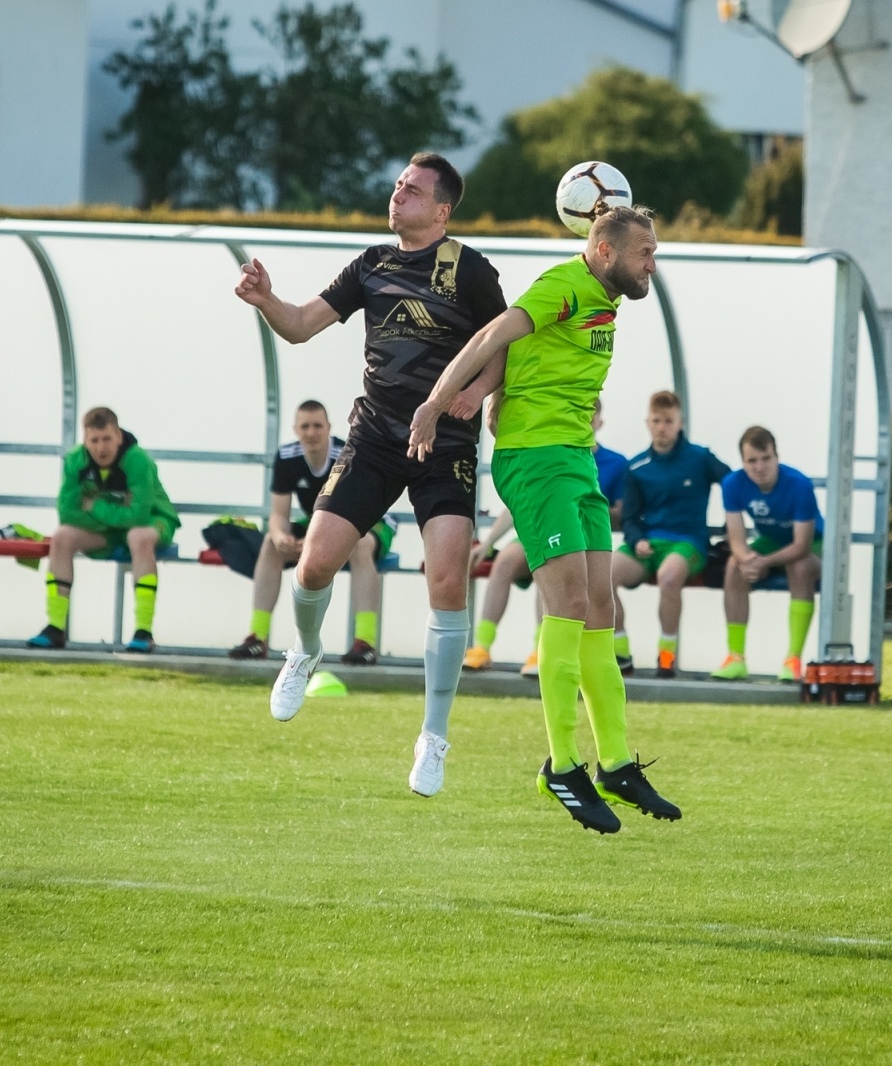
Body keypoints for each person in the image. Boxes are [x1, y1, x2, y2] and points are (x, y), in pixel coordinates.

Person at [233, 152, 507, 798]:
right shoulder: (373, 264)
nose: (398, 195)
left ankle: (432, 738)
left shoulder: (469, 270)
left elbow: (507, 343)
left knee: (446, 578)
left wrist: (479, 391)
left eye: (412, 190)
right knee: (313, 565)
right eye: (397, 186)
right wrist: (265, 298)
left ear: (442, 210)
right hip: (377, 436)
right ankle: (303, 651)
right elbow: (301, 327)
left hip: (445, 444)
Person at [409, 203, 680, 834]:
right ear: (607, 251)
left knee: (600, 609)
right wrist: (438, 402)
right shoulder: (564, 284)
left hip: (575, 459)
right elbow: (490, 336)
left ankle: (613, 762)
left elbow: (527, 349)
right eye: (646, 252)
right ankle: (562, 766)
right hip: (536, 460)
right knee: (565, 608)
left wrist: (493, 390)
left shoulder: (600, 294)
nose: (653, 264)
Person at [463, 400, 628, 677]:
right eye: (578, 416)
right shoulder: (551, 452)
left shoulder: (615, 463)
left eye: (590, 417)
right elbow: (520, 501)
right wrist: (488, 544)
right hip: (540, 530)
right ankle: (482, 646)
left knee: (555, 569)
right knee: (504, 561)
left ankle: (541, 650)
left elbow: (621, 514)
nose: (584, 422)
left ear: (599, 422)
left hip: (584, 540)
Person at [227, 399, 395, 665]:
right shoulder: (287, 456)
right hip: (321, 521)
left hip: (370, 520)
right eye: (305, 426)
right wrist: (282, 536)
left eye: (317, 425)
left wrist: (316, 541)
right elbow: (279, 514)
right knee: (271, 542)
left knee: (358, 546)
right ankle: (257, 637)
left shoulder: (345, 454)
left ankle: (365, 641)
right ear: (295, 429)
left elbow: (356, 513)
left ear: (329, 427)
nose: (311, 432)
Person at [27, 407, 180, 654]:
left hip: (155, 521)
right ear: (85, 440)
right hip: (110, 530)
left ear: (118, 436)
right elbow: (67, 513)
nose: (101, 448)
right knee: (62, 536)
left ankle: (143, 631)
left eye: (107, 439)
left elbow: (139, 516)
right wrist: (115, 513)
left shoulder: (138, 459)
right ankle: (55, 627)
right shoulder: (76, 460)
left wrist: (94, 505)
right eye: (94, 440)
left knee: (138, 536)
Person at [611, 390, 731, 678]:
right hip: (647, 544)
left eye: (668, 421)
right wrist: (637, 538)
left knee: (668, 577)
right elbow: (629, 517)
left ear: (680, 423)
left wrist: (732, 525)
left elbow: (734, 483)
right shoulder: (637, 465)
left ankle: (667, 655)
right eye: (656, 420)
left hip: (687, 543)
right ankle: (619, 651)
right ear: (647, 423)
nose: (662, 427)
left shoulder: (699, 458)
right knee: (603, 575)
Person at [710, 426, 822, 683]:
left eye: (765, 459)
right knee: (733, 566)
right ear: (743, 462)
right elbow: (736, 539)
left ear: (776, 456)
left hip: (814, 544)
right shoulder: (732, 484)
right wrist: (746, 560)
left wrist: (764, 562)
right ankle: (735, 658)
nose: (759, 467)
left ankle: (792, 660)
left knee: (800, 567)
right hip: (770, 541)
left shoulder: (799, 484)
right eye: (752, 461)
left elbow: (801, 545)